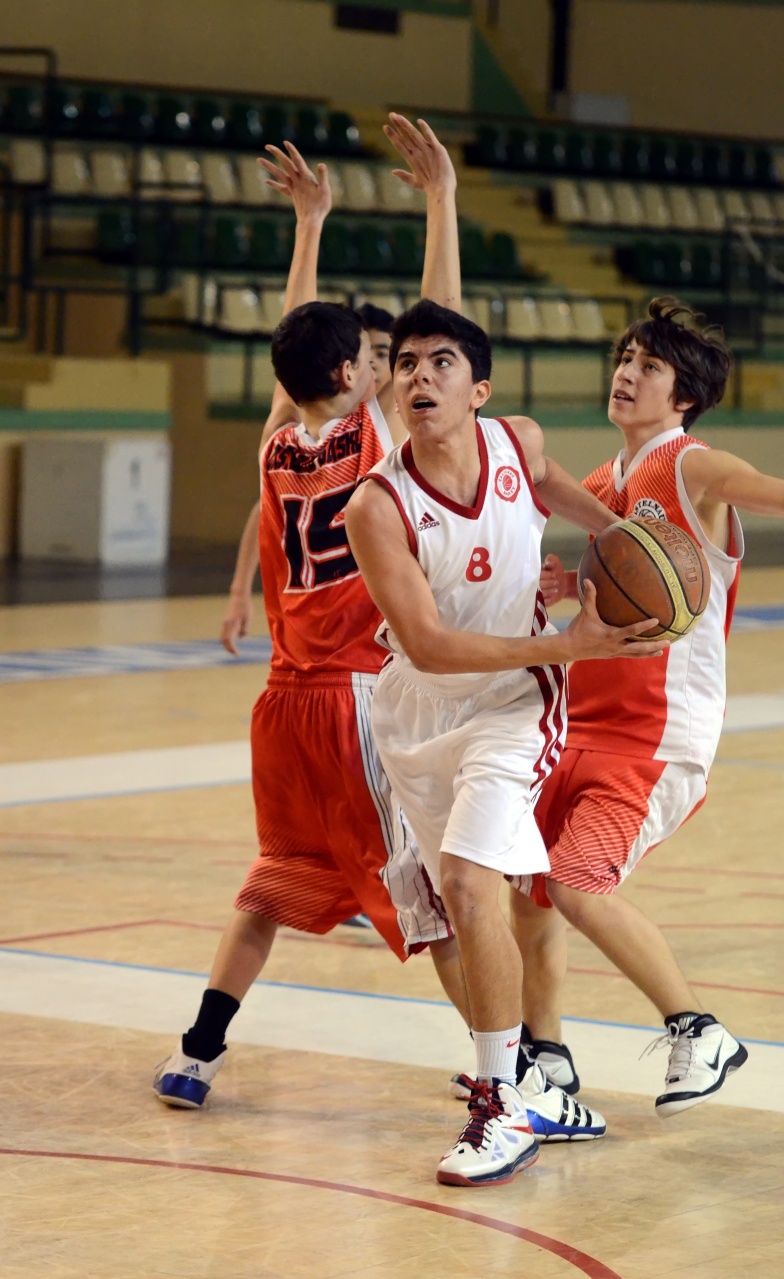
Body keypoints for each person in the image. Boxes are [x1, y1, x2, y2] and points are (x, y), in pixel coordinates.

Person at [154, 115, 472, 1109]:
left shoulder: (275, 446)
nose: (395, 370)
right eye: (375, 362)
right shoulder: (372, 441)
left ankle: (196, 1052)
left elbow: (295, 346)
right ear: (351, 379)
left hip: (281, 707)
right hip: (352, 702)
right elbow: (442, 328)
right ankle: (506, 1071)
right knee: (429, 893)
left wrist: (309, 225)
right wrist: (441, 200)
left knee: (272, 881)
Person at [345, 299, 665, 1187]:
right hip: (417, 709)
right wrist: (572, 642)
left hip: (515, 702)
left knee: (467, 881)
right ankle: (529, 1087)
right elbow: (428, 645)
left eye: (440, 362)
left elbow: (574, 501)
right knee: (451, 909)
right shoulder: (376, 506)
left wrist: (634, 552)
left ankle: (501, 1105)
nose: (419, 376)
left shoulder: (517, 443)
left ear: (478, 390)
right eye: (405, 364)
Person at [508, 297, 784, 1117]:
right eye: (624, 358)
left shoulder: (695, 467)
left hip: (656, 734)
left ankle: (699, 1028)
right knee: (530, 886)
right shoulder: (601, 484)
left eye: (649, 365)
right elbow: (611, 595)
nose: (626, 373)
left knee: (576, 882)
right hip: (581, 722)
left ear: (683, 395)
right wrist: (567, 584)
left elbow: (771, 492)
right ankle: (545, 1056)